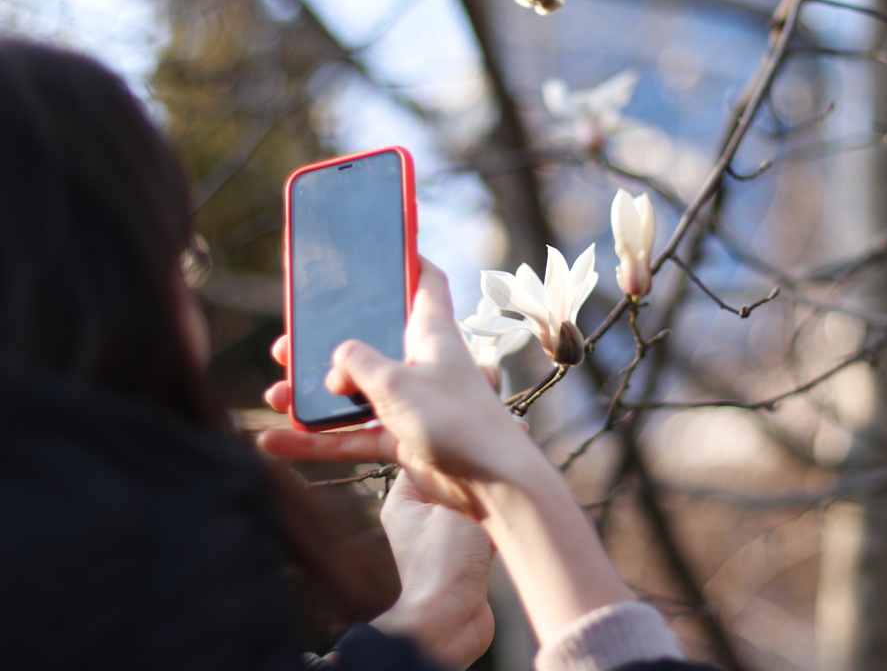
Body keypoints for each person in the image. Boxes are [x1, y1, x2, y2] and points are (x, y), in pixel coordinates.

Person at [0, 39, 700, 671]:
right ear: (99, 288)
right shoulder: (159, 569)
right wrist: (508, 479)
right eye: (179, 264)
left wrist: (436, 612)